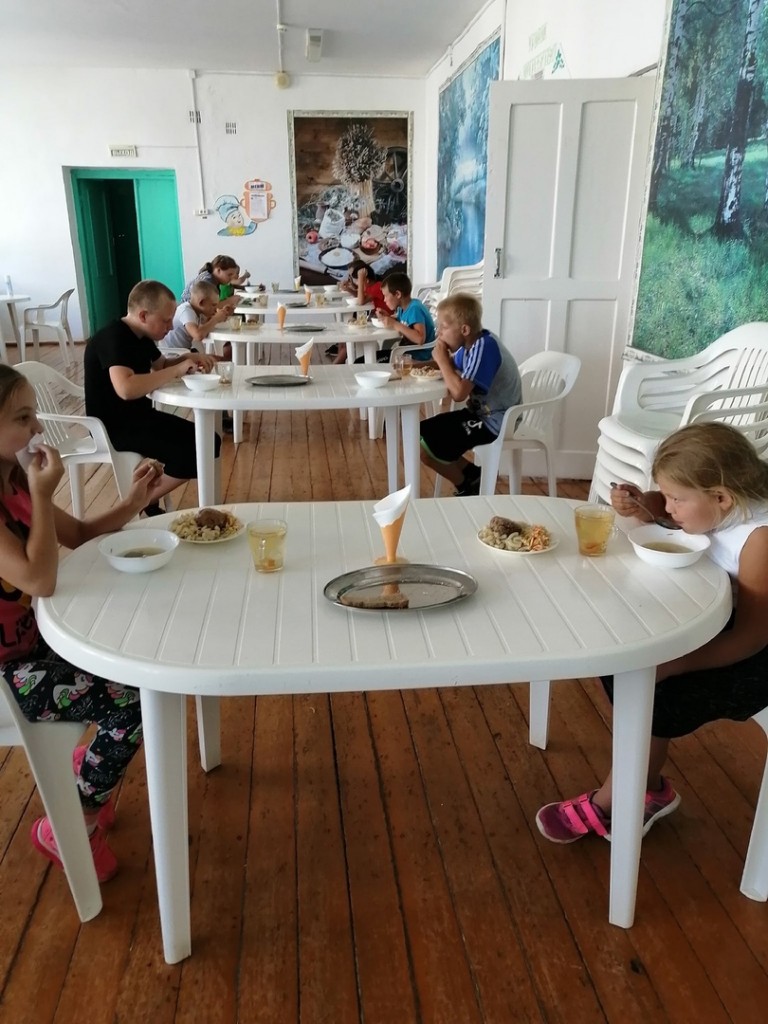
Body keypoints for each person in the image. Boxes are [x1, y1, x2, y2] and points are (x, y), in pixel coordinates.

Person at [536, 422, 768, 843]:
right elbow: (666, 503)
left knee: (655, 688)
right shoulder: (718, 503)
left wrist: (676, 663)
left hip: (756, 649)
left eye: (678, 499)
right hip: (720, 616)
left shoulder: (760, 540)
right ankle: (648, 783)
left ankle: (621, 799)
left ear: (721, 497)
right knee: (621, 647)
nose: (669, 506)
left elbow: (752, 638)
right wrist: (643, 502)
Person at [0, 364, 164, 880]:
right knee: (131, 703)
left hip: (35, 642)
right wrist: (42, 495)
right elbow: (39, 579)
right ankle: (74, 821)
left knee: (137, 662)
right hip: (7, 672)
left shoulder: (14, 483)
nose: (36, 428)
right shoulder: (23, 490)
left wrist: (132, 503)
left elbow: (79, 534)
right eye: (22, 418)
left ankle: (90, 766)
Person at [84, 280, 221, 514]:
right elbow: (126, 389)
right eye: (166, 320)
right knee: (193, 450)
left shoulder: (142, 335)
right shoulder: (114, 337)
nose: (170, 326)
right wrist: (177, 370)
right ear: (143, 315)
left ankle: (145, 497)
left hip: (140, 417)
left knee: (209, 440)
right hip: (114, 427)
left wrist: (189, 358)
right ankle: (137, 503)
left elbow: (162, 365)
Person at [419, 293, 522, 496]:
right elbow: (450, 365)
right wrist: (413, 366)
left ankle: (467, 486)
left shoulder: (484, 347)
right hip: (478, 415)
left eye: (443, 327)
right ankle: (472, 476)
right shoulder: (469, 347)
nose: (438, 333)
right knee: (419, 434)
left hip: (497, 421)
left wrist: (441, 360)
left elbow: (458, 393)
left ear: (464, 330)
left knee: (428, 445)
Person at [330, 261, 394, 365]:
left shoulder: (377, 286)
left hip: (383, 322)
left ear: (366, 280)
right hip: (376, 320)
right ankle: (339, 364)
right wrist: (349, 288)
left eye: (358, 281)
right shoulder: (371, 287)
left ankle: (335, 366)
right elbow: (361, 296)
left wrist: (360, 278)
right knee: (345, 336)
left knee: (350, 336)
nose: (356, 284)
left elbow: (360, 301)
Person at [376, 271, 436, 363]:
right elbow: (404, 323)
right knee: (363, 360)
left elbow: (420, 339)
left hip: (418, 358)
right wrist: (388, 317)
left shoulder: (415, 308)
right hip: (406, 353)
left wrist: (394, 324)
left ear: (398, 294)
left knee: (368, 361)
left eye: (385, 296)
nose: (384, 300)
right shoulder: (402, 308)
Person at [160, 279, 230, 354]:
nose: (215, 308)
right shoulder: (186, 311)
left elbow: (204, 330)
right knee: (217, 356)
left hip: (185, 351)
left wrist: (220, 316)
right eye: (213, 305)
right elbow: (198, 335)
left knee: (220, 354)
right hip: (173, 353)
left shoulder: (199, 312)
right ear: (201, 302)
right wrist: (215, 319)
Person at [180, 255, 249, 311]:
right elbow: (206, 307)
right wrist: (229, 301)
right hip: (189, 316)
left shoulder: (214, 280)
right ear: (218, 270)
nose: (231, 278)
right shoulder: (207, 281)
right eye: (229, 275)